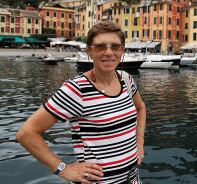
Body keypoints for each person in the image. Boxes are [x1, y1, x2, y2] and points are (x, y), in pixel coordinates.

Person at [16, 21, 146, 184]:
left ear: (122, 50)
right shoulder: (76, 90)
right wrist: (63, 169)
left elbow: (140, 108)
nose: (108, 52)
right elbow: (26, 133)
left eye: (115, 46)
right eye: (100, 47)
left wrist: (139, 141)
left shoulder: (126, 80)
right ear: (89, 52)